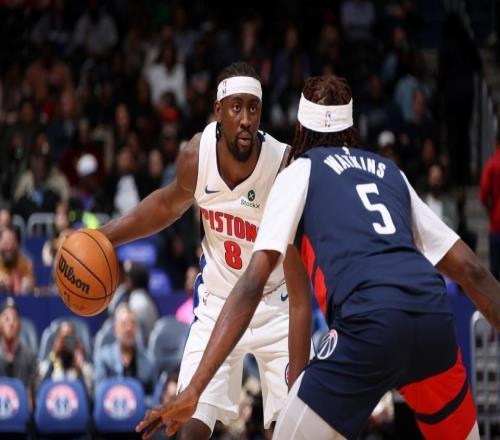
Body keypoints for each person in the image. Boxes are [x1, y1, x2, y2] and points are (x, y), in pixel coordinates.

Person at [144, 74, 500, 440]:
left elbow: (252, 284)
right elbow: (471, 270)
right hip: (433, 321)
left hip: (367, 324)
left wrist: (194, 388)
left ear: (300, 129)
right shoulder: (390, 173)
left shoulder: (298, 172)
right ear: (352, 129)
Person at [100, 61, 310, 439]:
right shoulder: (196, 157)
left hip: (275, 303)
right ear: (218, 111)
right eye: (236, 107)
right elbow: (166, 205)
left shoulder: (283, 166)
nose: (245, 119)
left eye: (253, 108)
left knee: (292, 431)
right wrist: (106, 237)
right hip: (218, 302)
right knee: (189, 429)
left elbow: (299, 291)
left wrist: (298, 375)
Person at [94, 303, 156, 395]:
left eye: (132, 324)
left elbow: (154, 397)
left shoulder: (148, 360)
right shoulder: (103, 358)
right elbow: (99, 394)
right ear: (115, 329)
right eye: (124, 324)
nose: (129, 328)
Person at [36, 320, 93, 396]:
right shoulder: (44, 367)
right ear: (56, 341)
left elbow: (87, 399)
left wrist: (79, 371)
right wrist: (53, 357)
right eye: (62, 339)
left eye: (69, 339)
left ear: (75, 341)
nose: (65, 344)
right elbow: (40, 395)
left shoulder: (86, 370)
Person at [0, 297, 37, 393]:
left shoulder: (29, 356)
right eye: (6, 319)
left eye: (14, 318)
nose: (11, 323)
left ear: (19, 325)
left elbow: (32, 396)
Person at [480, 136, 500, 279]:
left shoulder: (492, 165)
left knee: (495, 271)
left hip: (497, 223)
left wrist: (490, 207)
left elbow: (484, 194)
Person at [0, 226, 35, 295]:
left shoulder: (25, 264)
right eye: (5, 243)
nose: (9, 247)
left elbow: (30, 284)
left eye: (12, 243)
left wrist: (21, 284)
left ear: (18, 244)